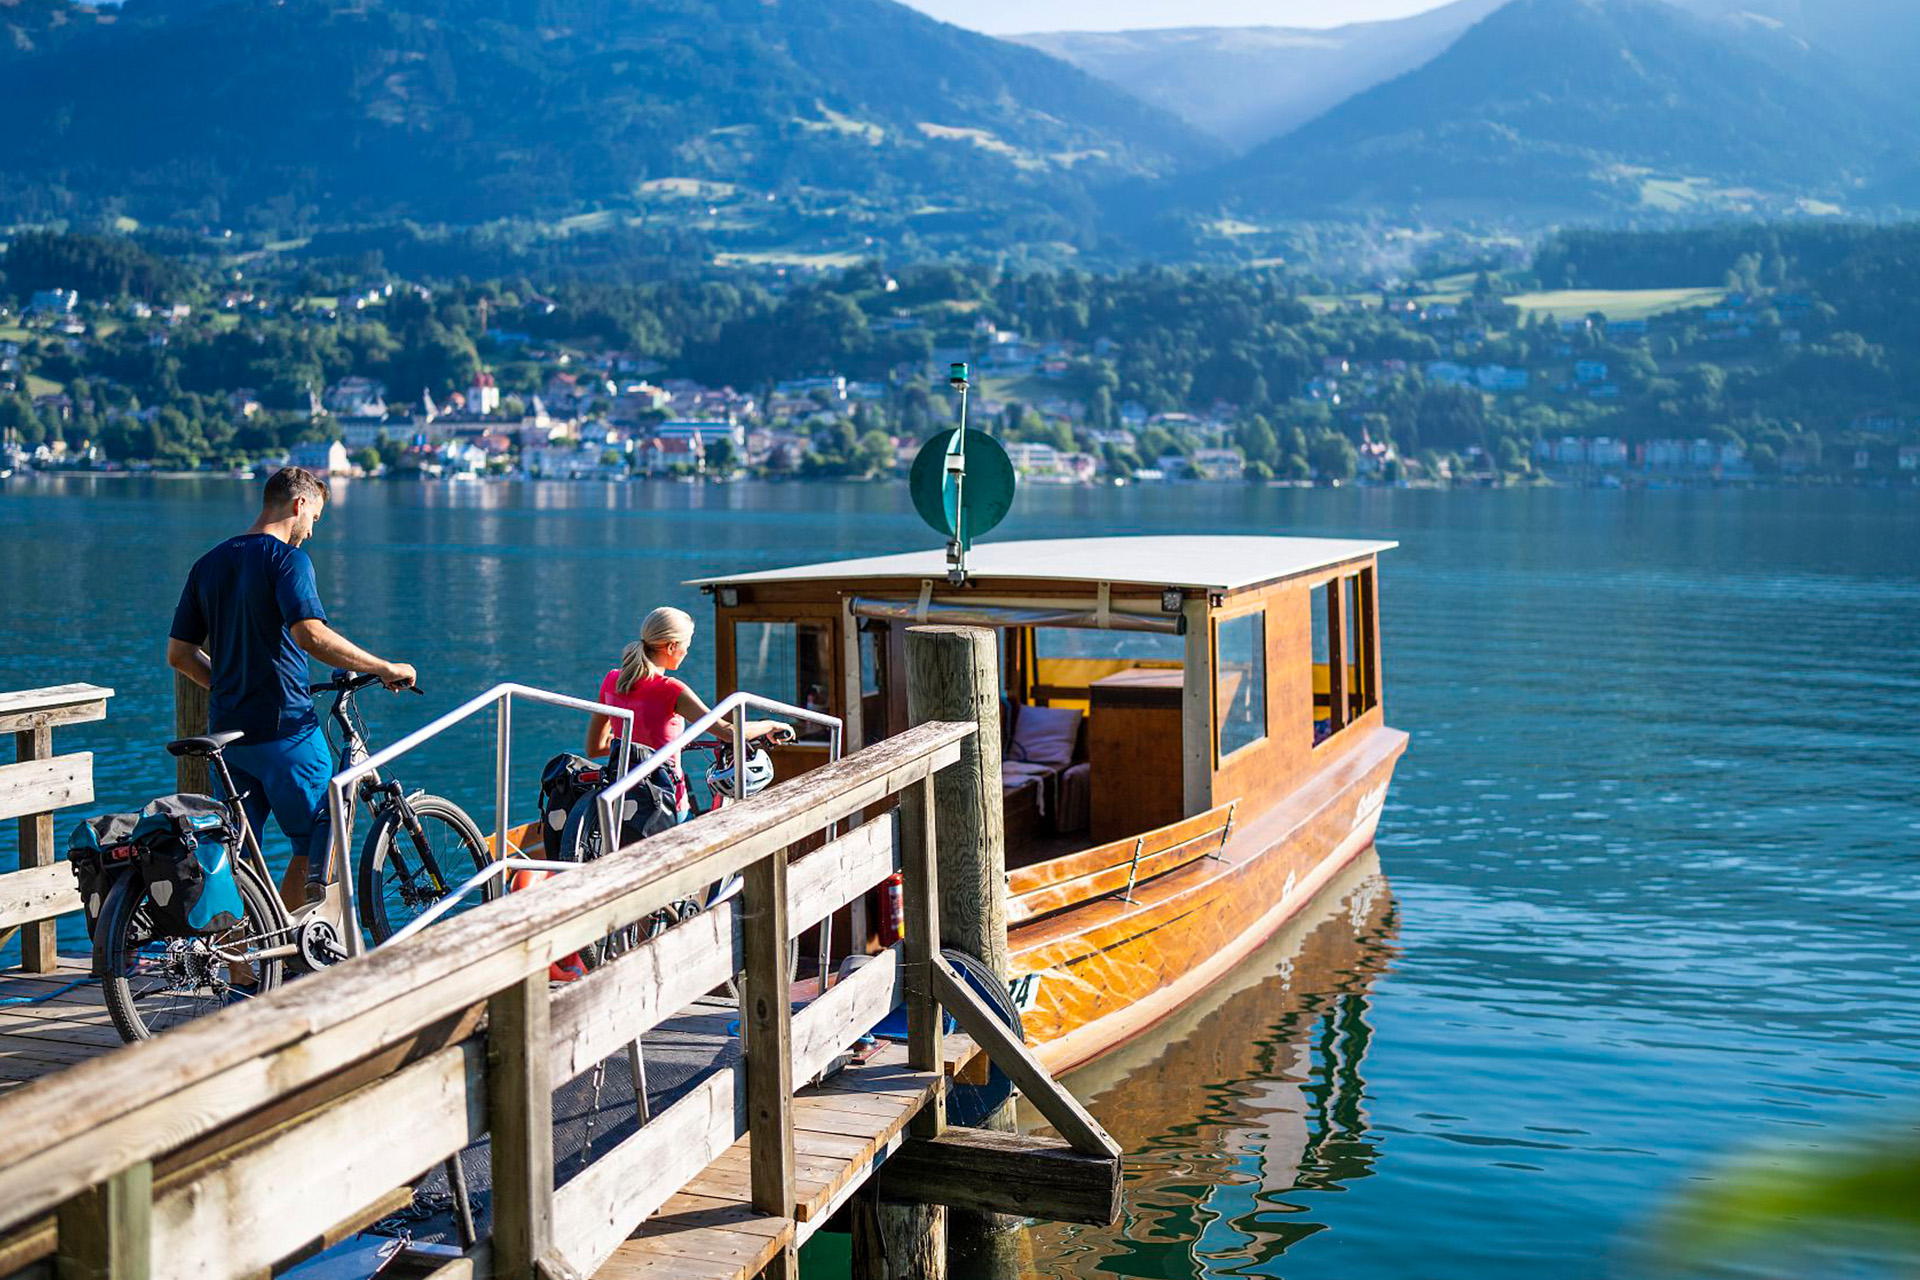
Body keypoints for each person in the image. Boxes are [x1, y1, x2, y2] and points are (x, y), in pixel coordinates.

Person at [166, 466, 416, 902]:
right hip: (286, 733)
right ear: (300, 505)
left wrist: (228, 686)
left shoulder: (208, 564)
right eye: (315, 519)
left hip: (228, 737)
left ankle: (247, 964)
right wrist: (382, 666)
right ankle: (292, 945)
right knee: (325, 839)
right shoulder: (288, 559)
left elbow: (179, 656)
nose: (311, 532)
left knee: (238, 854)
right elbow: (310, 635)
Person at [584, 606, 789, 818]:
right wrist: (771, 725)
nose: (687, 653)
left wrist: (637, 746)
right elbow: (728, 732)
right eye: (687, 646)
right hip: (666, 803)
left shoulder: (612, 680)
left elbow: (595, 747)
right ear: (672, 646)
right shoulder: (671, 690)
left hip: (623, 805)